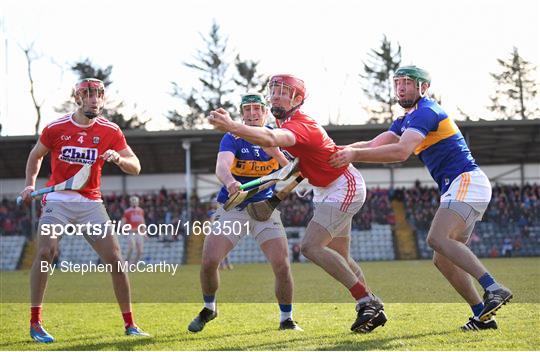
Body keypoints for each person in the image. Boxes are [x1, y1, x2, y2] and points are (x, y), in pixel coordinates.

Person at [329, 65, 513, 331]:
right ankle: (482, 316)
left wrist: (353, 156)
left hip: (466, 182)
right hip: (459, 187)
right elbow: (373, 144)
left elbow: (402, 152)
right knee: (442, 259)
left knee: (437, 238)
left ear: (423, 87)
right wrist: (337, 150)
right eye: (397, 83)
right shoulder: (406, 119)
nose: (401, 87)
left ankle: (494, 288)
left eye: (407, 82)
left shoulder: (427, 111)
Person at [208, 76, 386, 333]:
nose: (276, 96)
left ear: (298, 100)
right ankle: (369, 304)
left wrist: (232, 126)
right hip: (325, 188)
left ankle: (366, 301)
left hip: (342, 186)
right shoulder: (285, 121)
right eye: (274, 91)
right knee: (341, 255)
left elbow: (270, 140)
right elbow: (299, 158)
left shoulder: (300, 124)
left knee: (311, 247)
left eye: (283, 92)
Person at [19, 78, 149, 343]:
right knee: (46, 251)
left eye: (98, 94)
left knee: (115, 260)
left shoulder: (111, 131)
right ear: (77, 98)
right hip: (57, 198)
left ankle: (130, 324)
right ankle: (35, 322)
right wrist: (29, 185)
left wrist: (119, 159)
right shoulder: (56, 128)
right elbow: (36, 155)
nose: (93, 99)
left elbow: (135, 166)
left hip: (90, 202)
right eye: (87, 94)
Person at [188, 93, 302, 333]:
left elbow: (289, 170)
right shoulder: (233, 137)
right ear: (242, 114)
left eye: (257, 109)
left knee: (281, 264)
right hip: (234, 206)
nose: (252, 113)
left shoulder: (275, 137)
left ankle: (287, 318)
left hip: (264, 209)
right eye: (247, 109)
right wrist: (230, 183)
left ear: (265, 112)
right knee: (209, 261)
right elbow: (221, 166)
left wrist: (278, 154)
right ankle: (209, 308)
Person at [122, 196, 146, 264]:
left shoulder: (141, 210)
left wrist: (144, 232)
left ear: (138, 203)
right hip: (131, 233)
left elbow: (142, 222)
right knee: (132, 247)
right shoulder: (127, 211)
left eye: (135, 202)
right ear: (130, 203)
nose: (134, 203)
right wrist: (126, 229)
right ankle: (127, 261)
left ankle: (134, 265)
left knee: (140, 251)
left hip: (139, 233)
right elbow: (123, 222)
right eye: (133, 202)